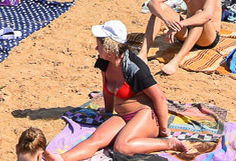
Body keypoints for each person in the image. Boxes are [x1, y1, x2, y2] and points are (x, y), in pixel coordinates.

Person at [46, 20, 192, 160]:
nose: (96, 48)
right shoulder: (104, 62)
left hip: (146, 115)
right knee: (96, 139)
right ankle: (62, 158)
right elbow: (106, 89)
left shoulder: (135, 68)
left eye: (99, 45)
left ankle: (169, 144)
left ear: (110, 47)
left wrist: (164, 131)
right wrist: (108, 112)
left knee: (122, 147)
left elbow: (159, 97)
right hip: (123, 115)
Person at [138, 0, 223, 75]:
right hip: (187, 33)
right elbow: (152, 3)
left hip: (207, 37)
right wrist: (167, 20)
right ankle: (143, 53)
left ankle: (176, 61)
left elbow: (207, 15)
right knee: (158, 9)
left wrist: (179, 25)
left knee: (200, 15)